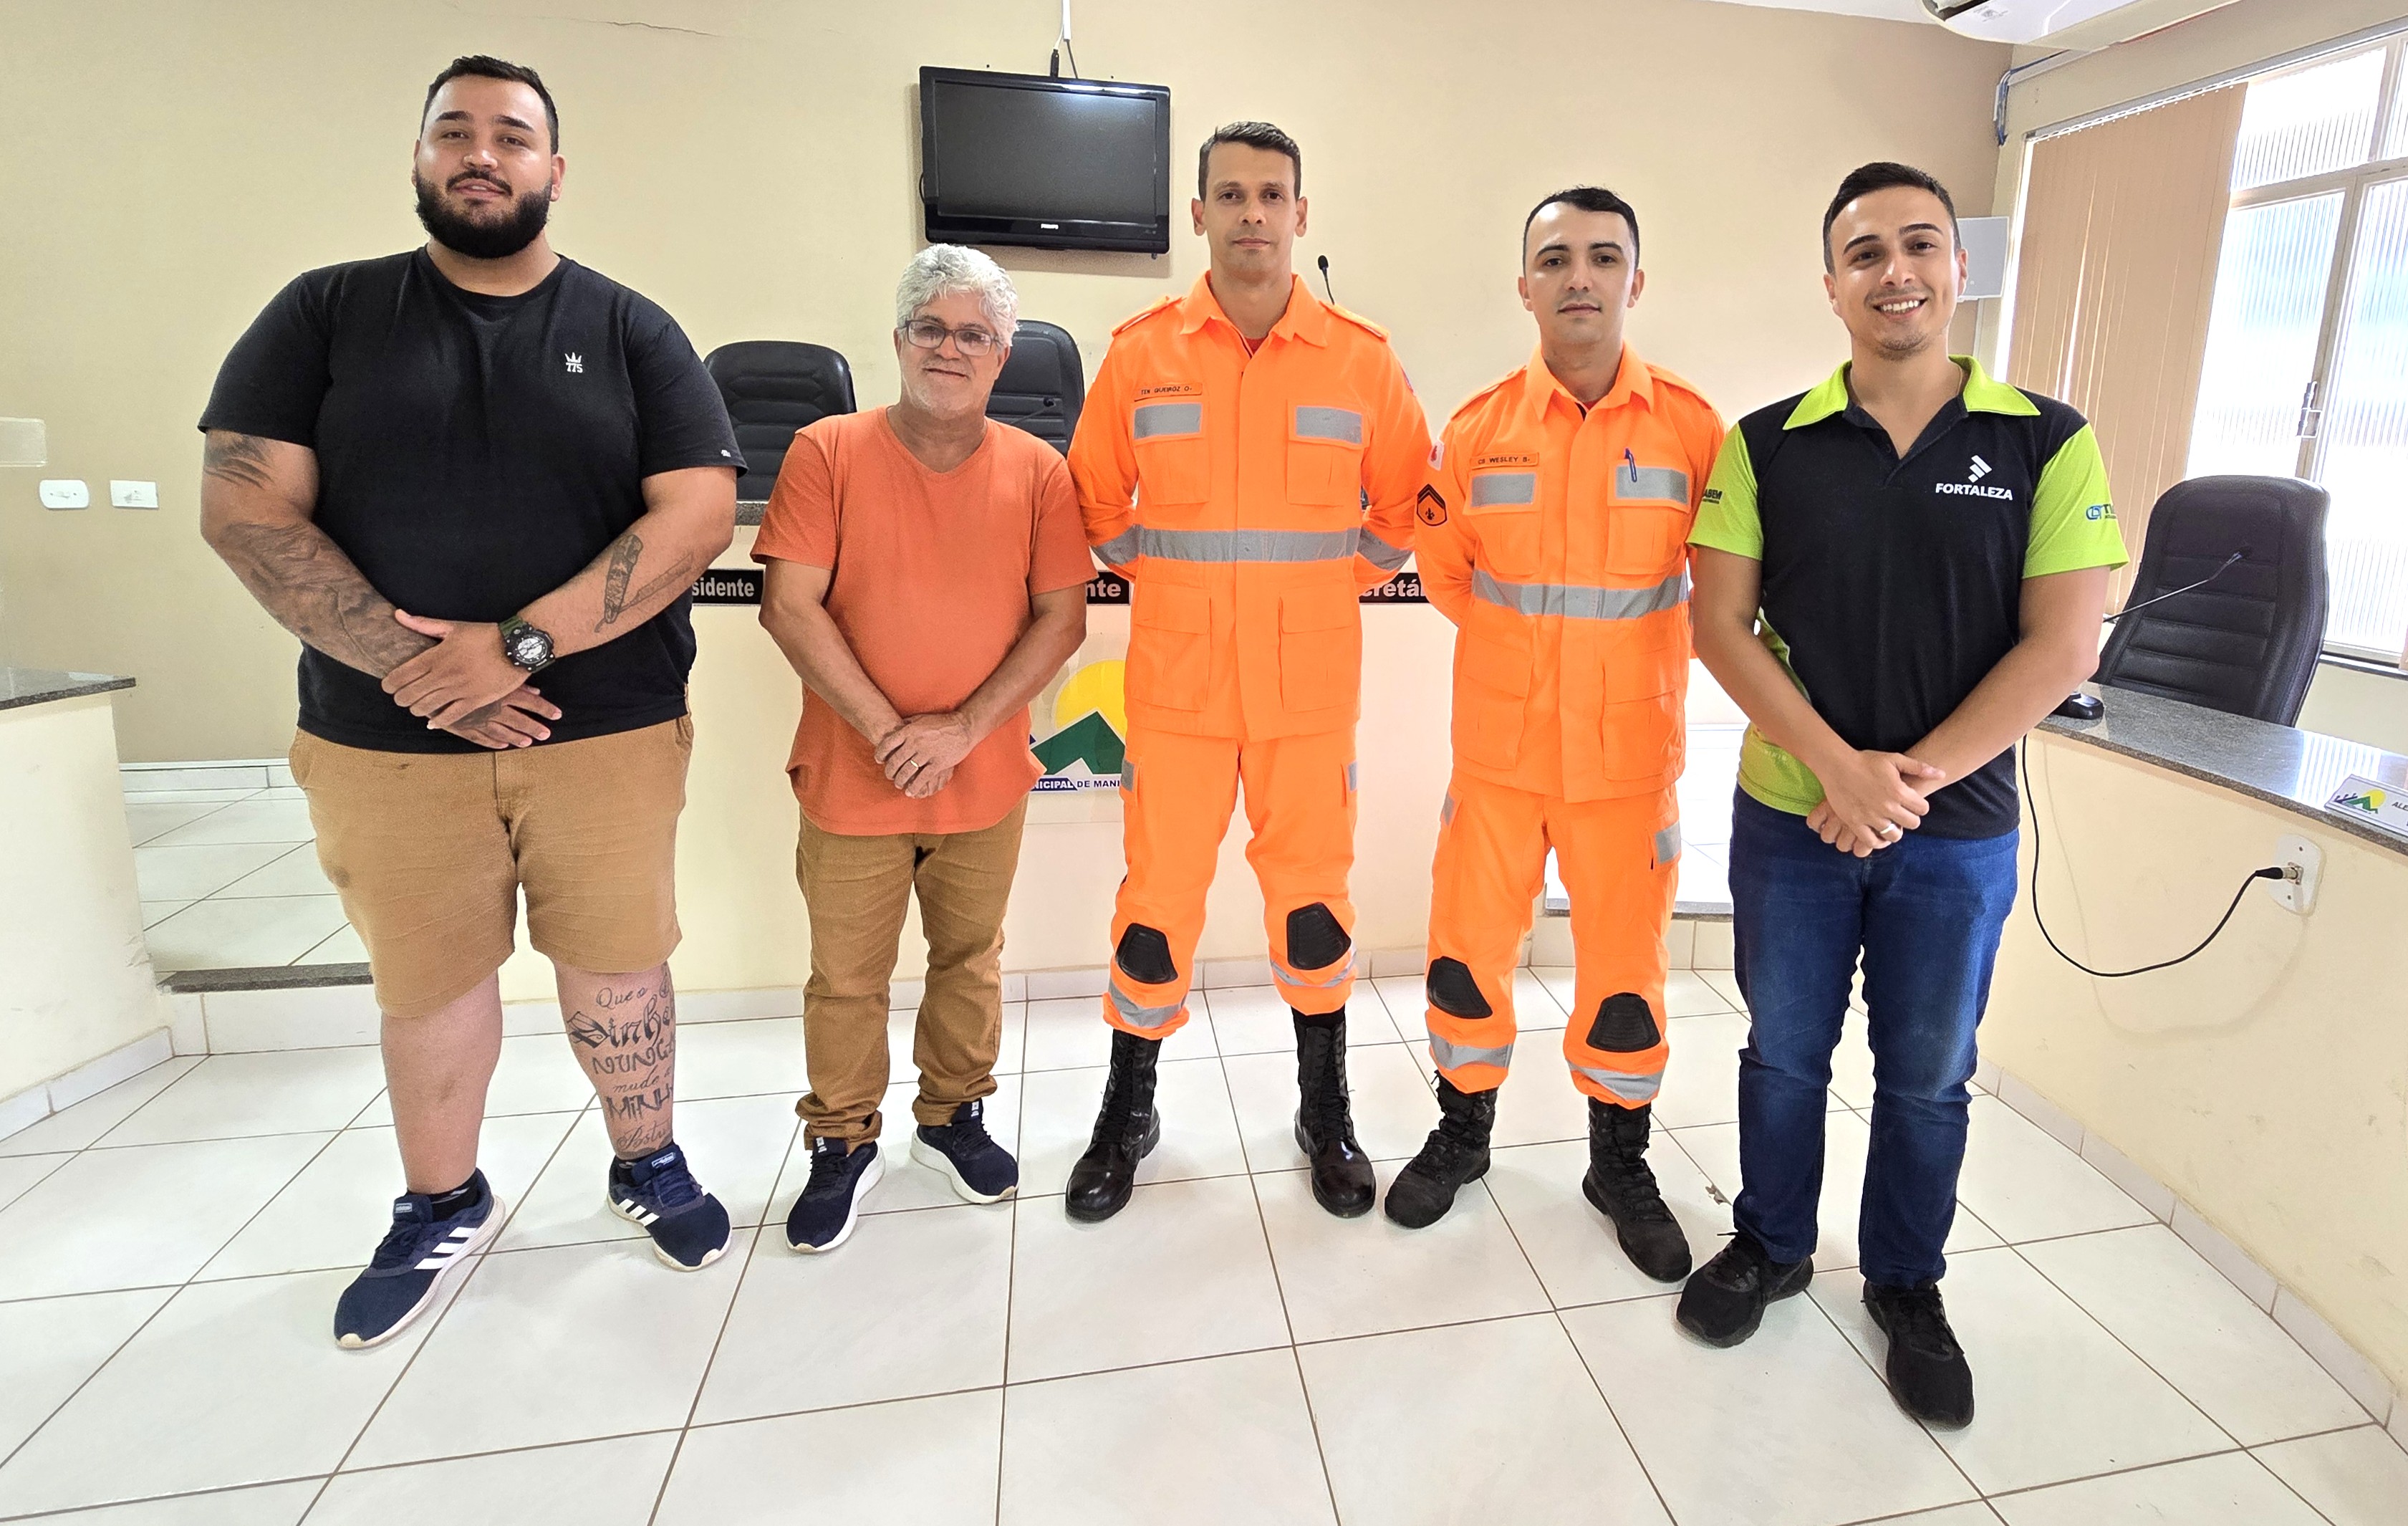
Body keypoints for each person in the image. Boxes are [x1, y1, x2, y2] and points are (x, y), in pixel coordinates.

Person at [197, 55, 743, 1348]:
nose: (483, 153)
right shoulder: (323, 316)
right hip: (384, 738)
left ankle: (645, 1162)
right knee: (430, 981)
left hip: (602, 725)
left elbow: (698, 514)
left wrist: (515, 649)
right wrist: (416, 670)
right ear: (421, 159)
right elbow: (242, 506)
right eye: (457, 131)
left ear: (557, 170)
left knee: (620, 965)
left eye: (513, 135)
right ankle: (439, 1195)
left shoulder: (629, 330)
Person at [1680, 162, 2125, 1425]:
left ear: (1957, 269)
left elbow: (2061, 645)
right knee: (1782, 1053)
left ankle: (1906, 1283)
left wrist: (1901, 783)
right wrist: (1834, 768)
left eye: (1918, 245)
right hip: (1790, 820)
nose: (1894, 271)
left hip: (1954, 830)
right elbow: (1718, 625)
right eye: (1863, 252)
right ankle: (1770, 1242)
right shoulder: (1764, 441)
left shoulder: (2046, 436)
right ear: (1830, 286)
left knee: (1927, 1072)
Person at [1063, 121, 1430, 1222]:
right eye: (1231, 194)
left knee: (1314, 908)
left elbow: (1404, 508)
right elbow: (1096, 505)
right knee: (1154, 909)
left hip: (1308, 699)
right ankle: (1128, 1111)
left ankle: (1326, 1109)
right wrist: (1174, 588)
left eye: (1273, 194)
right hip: (1175, 695)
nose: (1253, 214)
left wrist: (1319, 591)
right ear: (1199, 216)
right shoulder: (1139, 353)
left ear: (1301, 215)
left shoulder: (1361, 359)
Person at [1386, 188, 1725, 1287]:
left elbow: (1725, 587)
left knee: (1624, 976)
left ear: (1637, 278)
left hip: (1628, 769)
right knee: (1465, 955)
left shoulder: (1691, 429)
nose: (1579, 276)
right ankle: (1463, 1132)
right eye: (1555, 257)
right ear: (1522, 283)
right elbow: (1447, 576)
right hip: (1498, 760)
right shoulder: (1478, 430)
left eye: (1603, 256)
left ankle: (1617, 1163)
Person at [755, 245, 1091, 1252]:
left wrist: (960, 730)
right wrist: (891, 732)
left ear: (1002, 358)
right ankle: (844, 1138)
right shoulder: (826, 450)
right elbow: (788, 604)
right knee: (846, 975)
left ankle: (951, 1115)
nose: (952, 348)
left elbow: (1059, 620)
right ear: (899, 341)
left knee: (969, 959)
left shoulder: (1039, 472)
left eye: (975, 334)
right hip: (853, 771)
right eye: (933, 328)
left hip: (983, 773)